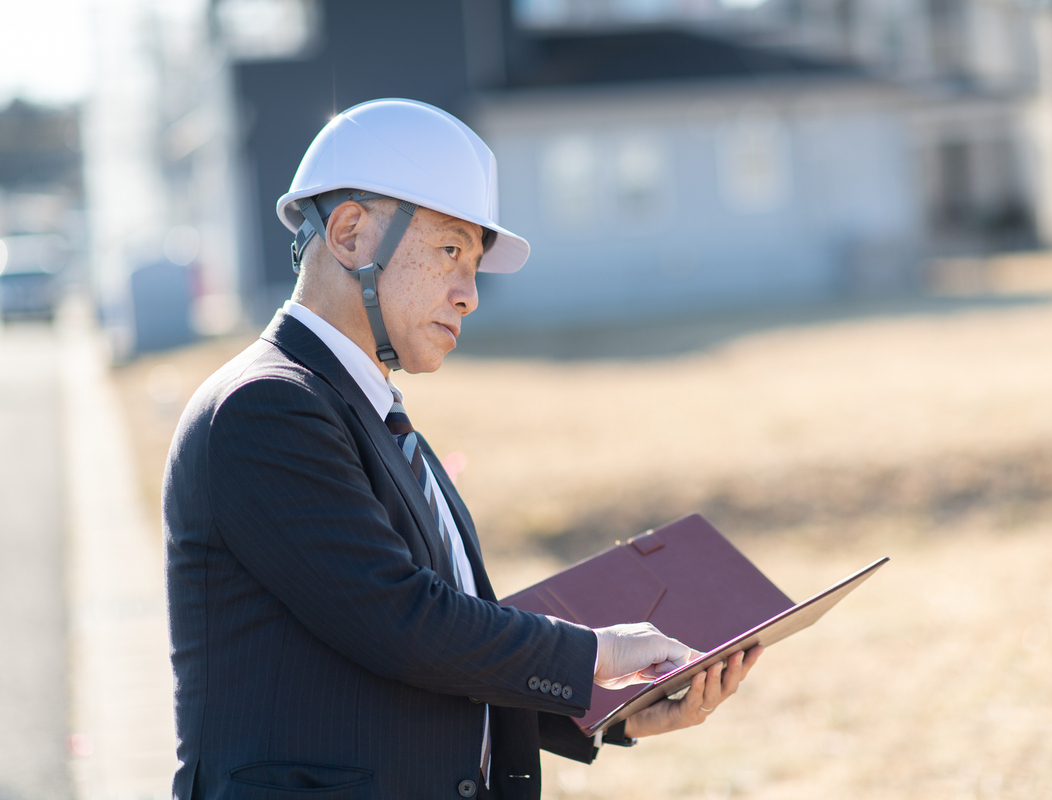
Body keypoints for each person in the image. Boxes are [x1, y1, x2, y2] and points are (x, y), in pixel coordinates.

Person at [163, 98, 762, 800]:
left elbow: (426, 657)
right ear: (351, 234)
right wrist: (600, 652)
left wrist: (615, 710)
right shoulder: (265, 408)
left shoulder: (364, 410)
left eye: (474, 264)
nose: (469, 295)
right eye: (450, 250)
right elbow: (402, 623)